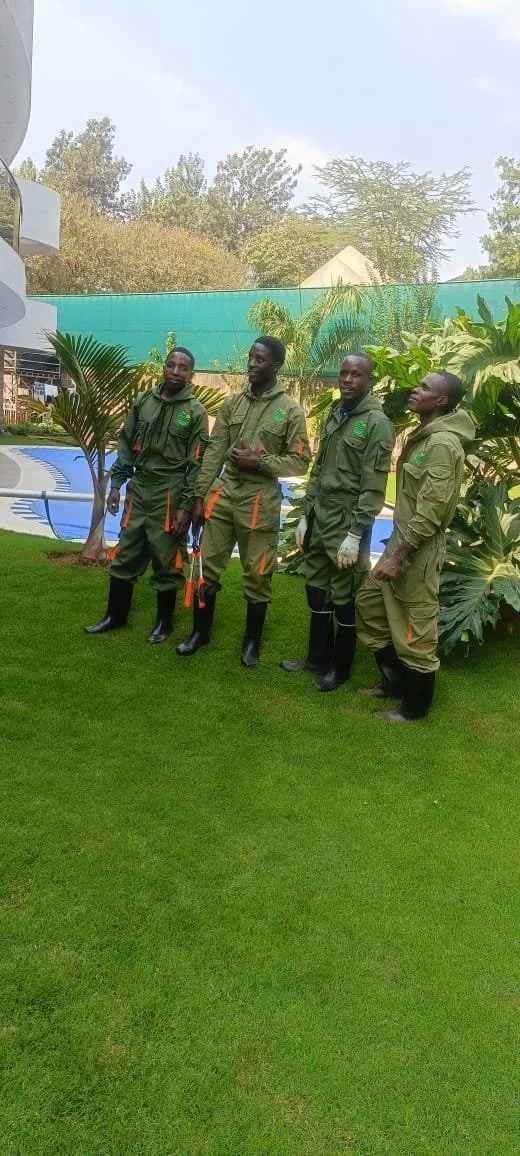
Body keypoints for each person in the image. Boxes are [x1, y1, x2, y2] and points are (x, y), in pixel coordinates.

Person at [176, 336, 311, 666]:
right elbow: (213, 453)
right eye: (251, 357)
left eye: (260, 359)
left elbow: (300, 461)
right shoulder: (232, 404)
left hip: (259, 499)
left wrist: (260, 462)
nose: (252, 363)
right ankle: (200, 633)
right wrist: (199, 496)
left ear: (276, 367)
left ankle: (251, 642)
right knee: (206, 564)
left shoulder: (290, 411)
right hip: (224, 494)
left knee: (258, 572)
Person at [356, 371, 474, 722]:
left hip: (417, 553)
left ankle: (414, 710)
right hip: (400, 544)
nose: (415, 390)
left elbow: (432, 510)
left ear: (441, 401)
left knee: (417, 633)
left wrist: (400, 557)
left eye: (424, 388)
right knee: (369, 606)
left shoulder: (442, 444)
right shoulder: (426, 435)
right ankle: (394, 682)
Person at [281, 354, 395, 690]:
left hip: (348, 520)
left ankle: (340, 668)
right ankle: (317, 657)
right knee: (316, 588)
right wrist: (305, 515)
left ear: (369, 380)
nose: (347, 380)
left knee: (344, 596)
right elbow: (319, 470)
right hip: (321, 515)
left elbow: (373, 487)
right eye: (343, 373)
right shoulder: (335, 413)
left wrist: (356, 534)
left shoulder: (377, 423)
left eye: (356, 375)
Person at [85, 347, 209, 643]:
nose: (175, 372)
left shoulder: (195, 412)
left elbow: (197, 463)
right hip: (139, 490)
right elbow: (127, 444)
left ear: (191, 374)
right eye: (171, 365)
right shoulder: (144, 402)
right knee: (126, 552)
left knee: (166, 559)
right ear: (163, 368)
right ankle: (115, 616)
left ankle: (163, 624)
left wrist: (185, 506)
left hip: (170, 492)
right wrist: (116, 485)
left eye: (183, 368)